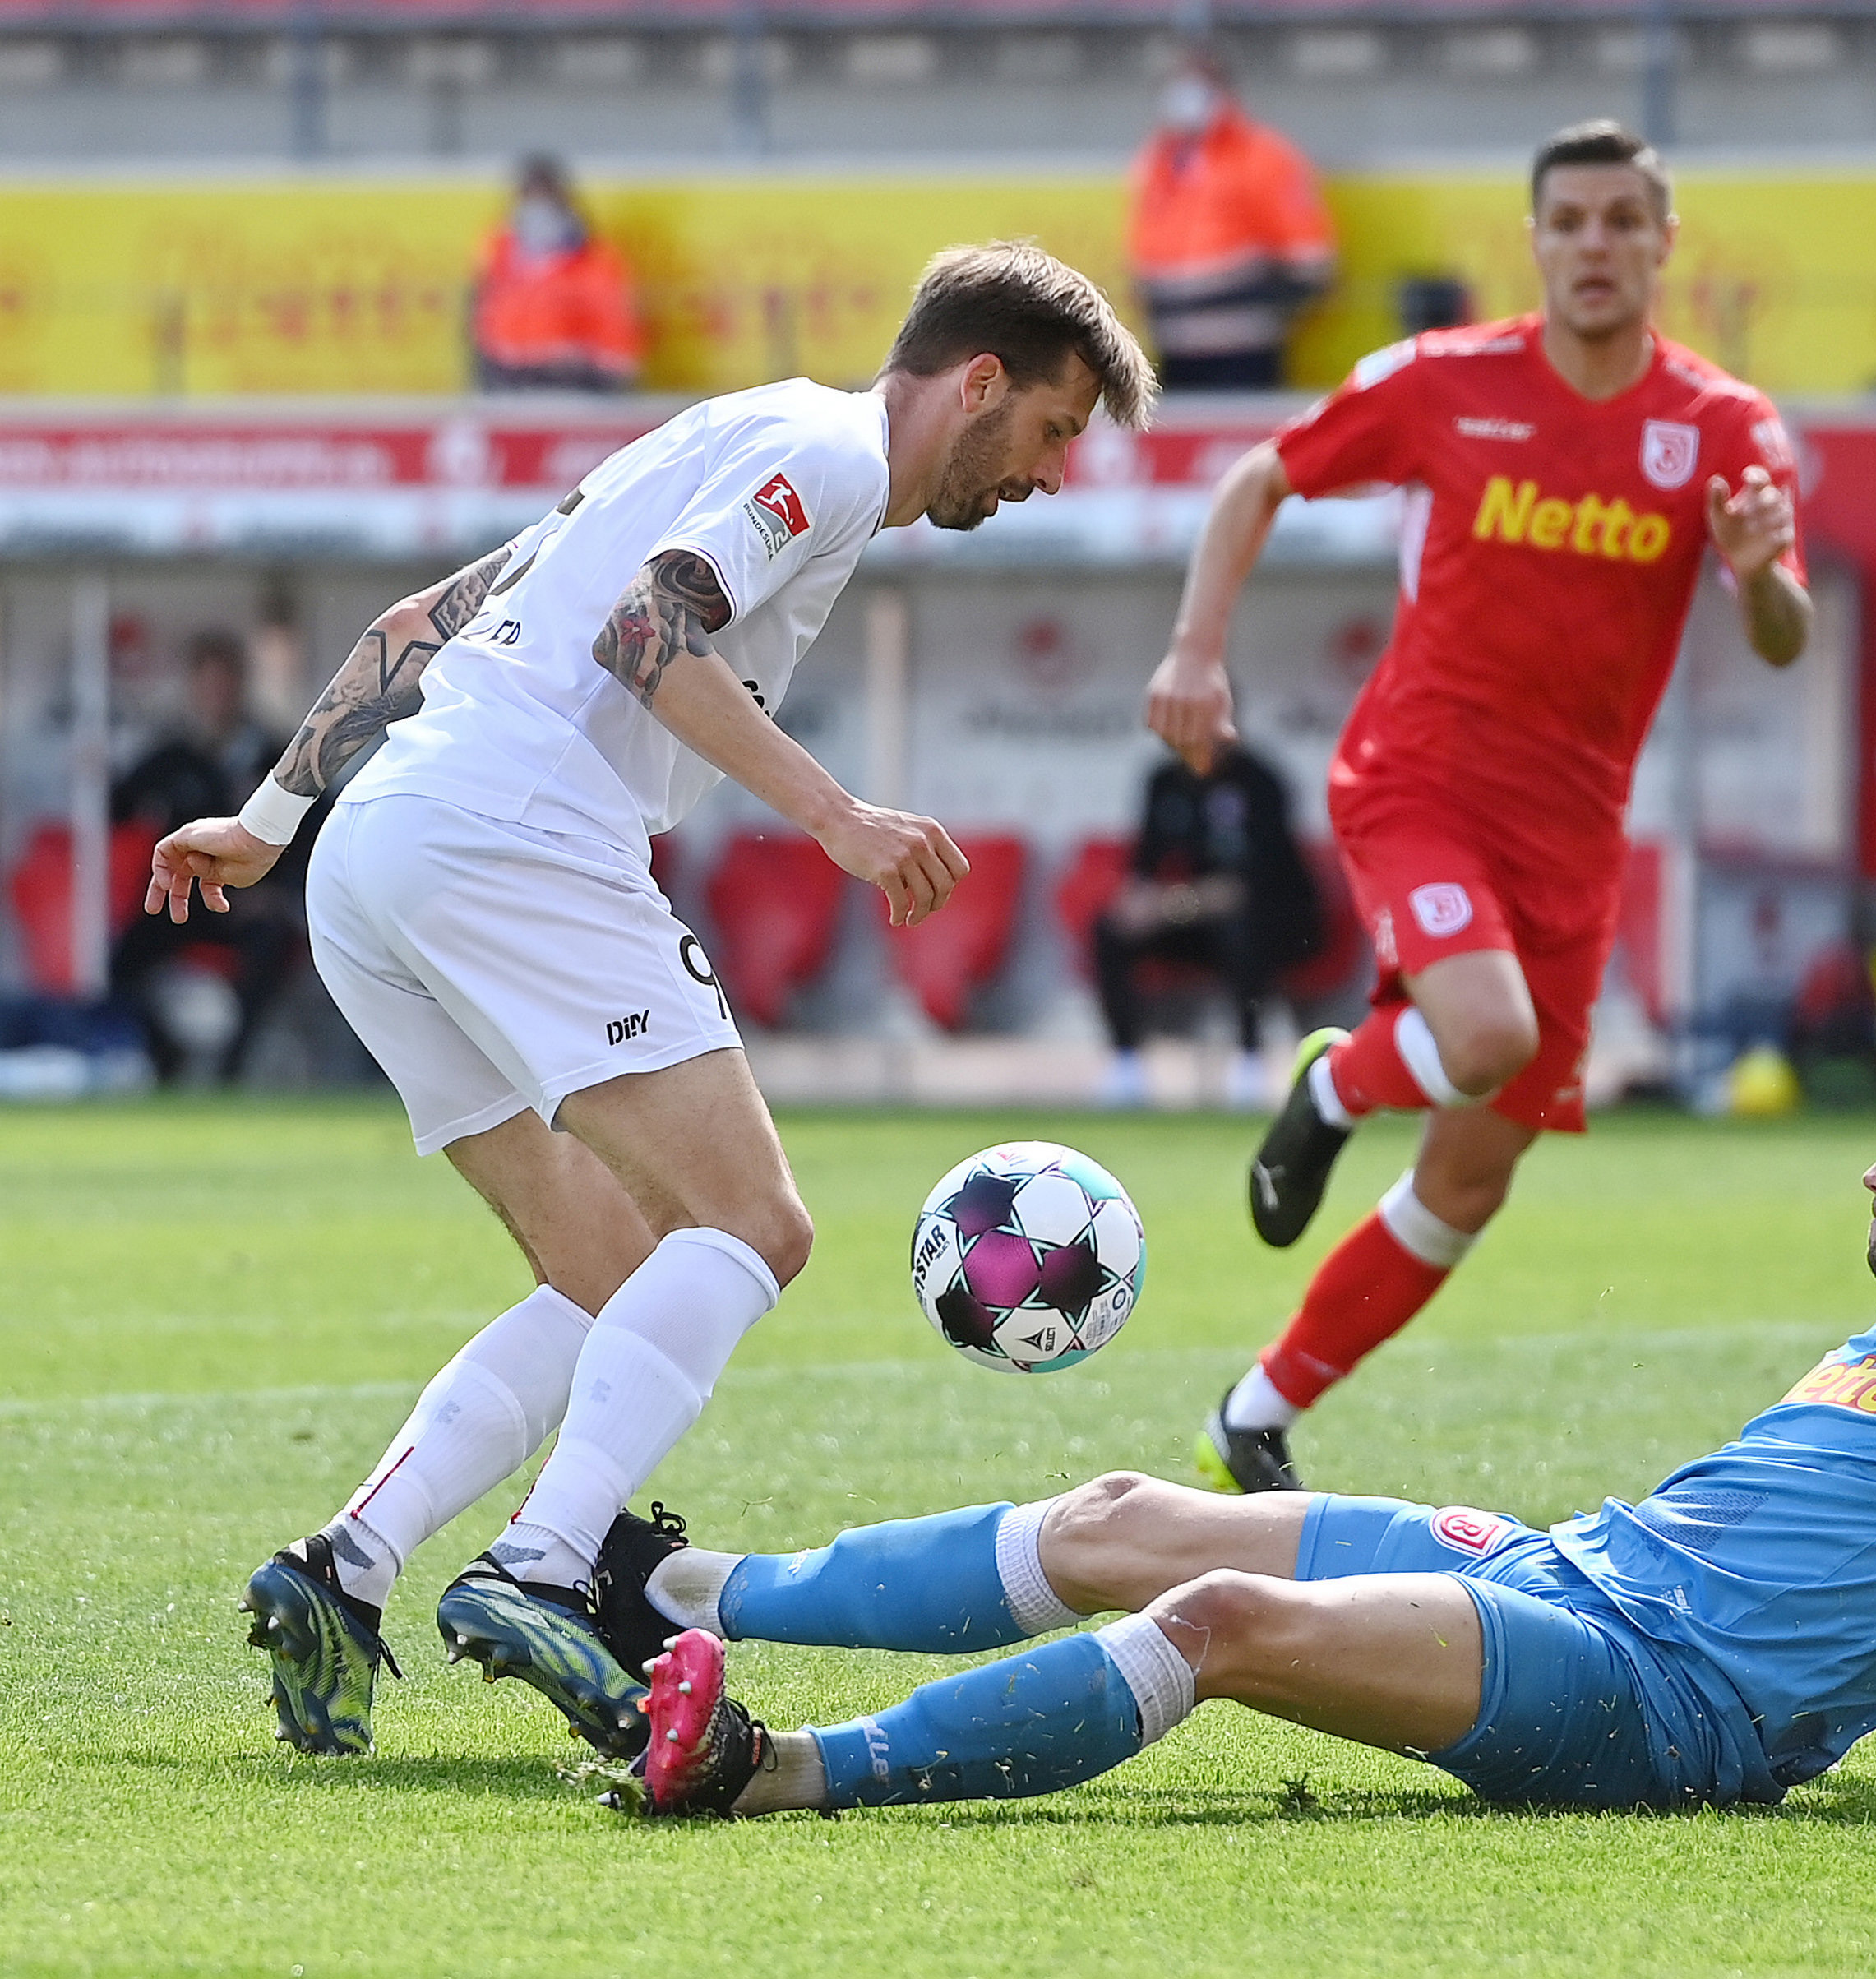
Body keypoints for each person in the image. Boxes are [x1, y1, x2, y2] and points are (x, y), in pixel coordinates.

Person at [580, 1008, 1876, 1845]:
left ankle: (774, 1771)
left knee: (1209, 1614)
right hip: (1572, 1565)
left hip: (1660, 1697)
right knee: (1126, 1507)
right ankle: (665, 1581)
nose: (1869, 1167)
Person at [145, 242, 1156, 1760]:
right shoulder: (821, 453)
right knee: (756, 1226)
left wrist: (274, 820)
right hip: (517, 837)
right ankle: (546, 1566)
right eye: (1056, 428)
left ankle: (343, 1566)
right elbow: (643, 637)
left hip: (380, 852)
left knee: (606, 1262)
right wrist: (842, 819)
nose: (1053, 471)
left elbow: (427, 615)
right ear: (980, 380)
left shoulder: (724, 433)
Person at [1143, 120, 1813, 1494]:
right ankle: (1330, 1087)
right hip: (1421, 777)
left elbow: (1784, 636)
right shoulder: (1449, 382)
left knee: (1466, 1181)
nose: (1593, 245)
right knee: (1485, 1031)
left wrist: (1753, 574)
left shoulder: (1721, 429)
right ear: (1534, 239)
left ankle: (1250, 1417)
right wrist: (1194, 648)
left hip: (1572, 838)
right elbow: (1256, 474)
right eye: (1567, 220)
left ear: (1661, 242)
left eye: (1621, 220)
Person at [108, 630, 299, 1083]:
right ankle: (153, 1062)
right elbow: (115, 807)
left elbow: (311, 832)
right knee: (126, 954)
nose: (217, 694)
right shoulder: (173, 758)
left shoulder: (275, 758)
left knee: (269, 945)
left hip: (250, 896)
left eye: (226, 682)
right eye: (208, 683)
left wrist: (278, 895)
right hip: (185, 896)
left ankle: (233, 1069)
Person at [1093, 741, 1323, 1110]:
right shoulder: (1164, 781)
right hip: (1192, 918)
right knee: (1111, 930)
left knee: (1243, 931)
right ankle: (1126, 1064)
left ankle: (1249, 1061)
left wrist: (1170, 904)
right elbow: (1145, 867)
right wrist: (1137, 903)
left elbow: (1246, 888)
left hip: (1276, 924)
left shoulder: (1259, 781)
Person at [1125, 45, 1335, 390]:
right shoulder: (1160, 158)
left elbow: (1311, 265)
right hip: (1170, 346)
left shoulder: (1264, 157)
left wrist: (1247, 297)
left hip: (1243, 350)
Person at [470, 155, 645, 394]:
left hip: (576, 385)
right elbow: (479, 318)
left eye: (546, 196)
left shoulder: (595, 258)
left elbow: (617, 329)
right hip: (509, 384)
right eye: (530, 196)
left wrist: (606, 379)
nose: (538, 207)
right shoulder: (499, 252)